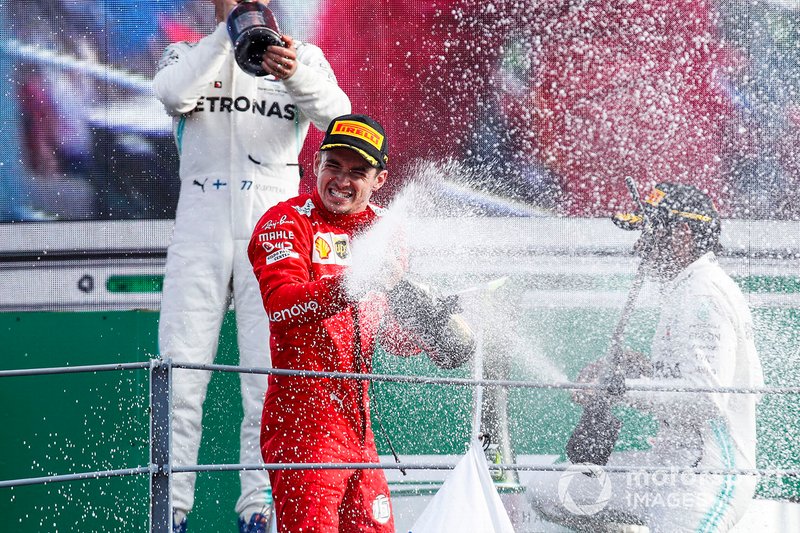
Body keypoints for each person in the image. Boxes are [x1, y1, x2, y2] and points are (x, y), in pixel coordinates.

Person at [152, 1, 351, 531]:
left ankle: (259, 509)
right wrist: (226, 36)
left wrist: (295, 72)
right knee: (180, 375)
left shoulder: (303, 57)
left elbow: (341, 119)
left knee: (266, 380)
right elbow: (172, 95)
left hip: (276, 237)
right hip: (199, 230)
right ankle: (169, 510)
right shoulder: (188, 52)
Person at [247, 113, 475, 532]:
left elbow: (386, 332)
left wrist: (431, 333)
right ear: (315, 163)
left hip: (359, 431)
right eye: (333, 165)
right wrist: (351, 283)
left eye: (358, 172)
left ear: (380, 180)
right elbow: (280, 307)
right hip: (304, 431)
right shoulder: (284, 221)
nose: (341, 180)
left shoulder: (387, 229)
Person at [527, 183, 764, 532]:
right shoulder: (685, 289)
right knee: (547, 491)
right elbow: (680, 378)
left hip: (705, 478)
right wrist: (634, 367)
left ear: (682, 234)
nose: (641, 246)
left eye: (650, 233)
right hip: (663, 471)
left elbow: (706, 400)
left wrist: (621, 388)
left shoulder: (702, 294)